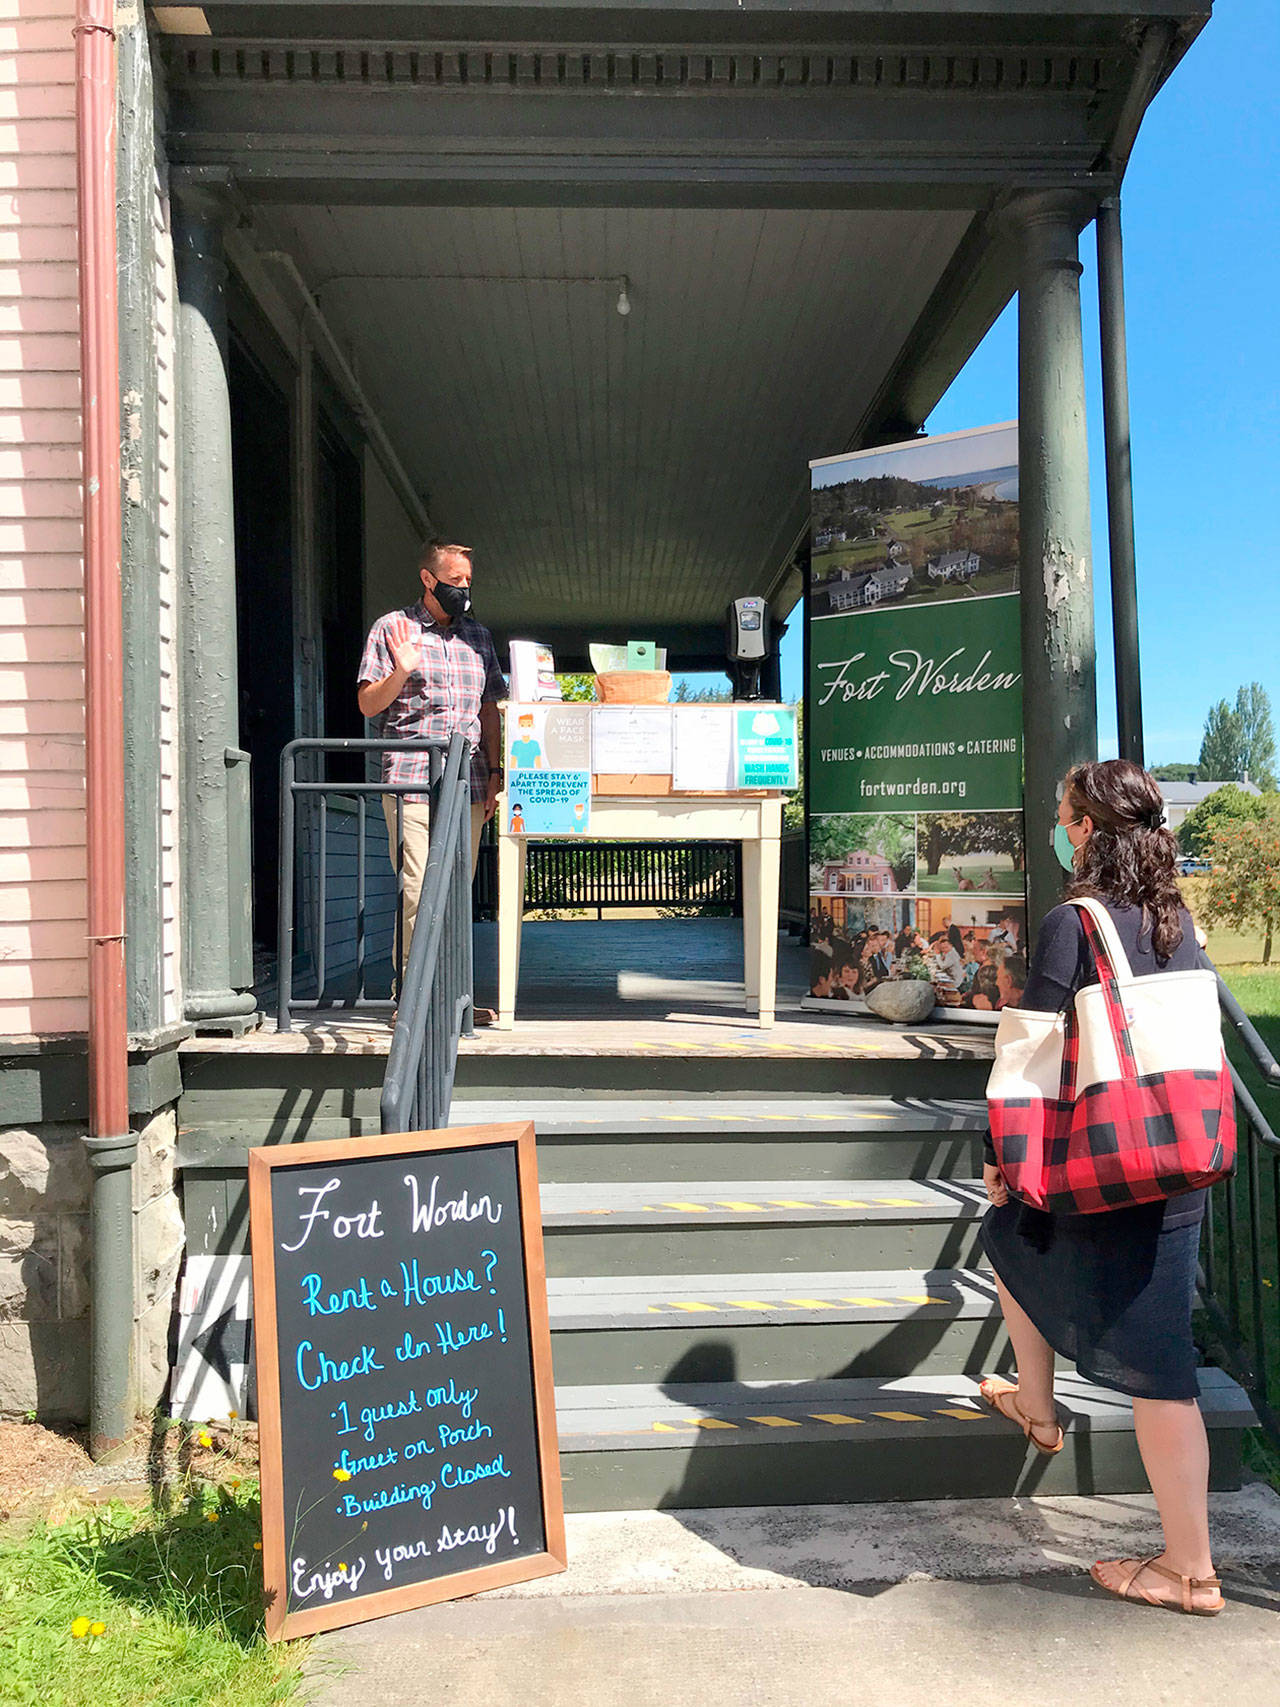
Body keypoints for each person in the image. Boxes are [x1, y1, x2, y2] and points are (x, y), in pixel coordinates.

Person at [980, 758, 1224, 1616]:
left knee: (1012, 1230)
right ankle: (1039, 1401)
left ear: (1084, 829)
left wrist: (998, 1152)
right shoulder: (1172, 918)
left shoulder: (1071, 923)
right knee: (1161, 1352)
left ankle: (1188, 1569)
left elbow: (1031, 1053)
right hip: (1176, 1158)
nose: (1057, 827)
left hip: (1106, 1159)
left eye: (1062, 814)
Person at [357, 540, 504, 973]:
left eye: (468, 582)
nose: (463, 589)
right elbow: (368, 704)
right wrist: (401, 670)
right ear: (428, 579)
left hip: (470, 781)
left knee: (457, 893)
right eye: (454, 581)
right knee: (419, 888)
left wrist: (496, 772)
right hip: (411, 779)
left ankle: (451, 994)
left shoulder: (479, 637)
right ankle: (413, 997)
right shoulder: (392, 629)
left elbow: (490, 707)